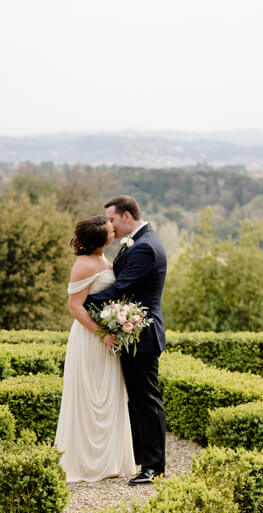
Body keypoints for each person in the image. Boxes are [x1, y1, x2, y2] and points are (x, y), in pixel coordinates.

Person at [85, 195, 168, 486]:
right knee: (137, 399)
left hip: (142, 334)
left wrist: (82, 300)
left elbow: (121, 287)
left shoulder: (145, 247)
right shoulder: (139, 241)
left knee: (147, 400)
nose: (109, 225)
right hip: (131, 333)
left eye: (111, 219)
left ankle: (154, 467)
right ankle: (139, 458)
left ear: (127, 217)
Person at [55, 215, 136, 481]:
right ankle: (85, 463)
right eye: (109, 229)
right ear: (99, 239)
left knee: (109, 393)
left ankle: (109, 461)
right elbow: (74, 307)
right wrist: (102, 334)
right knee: (89, 396)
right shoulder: (82, 265)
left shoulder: (103, 259)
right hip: (90, 339)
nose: (113, 229)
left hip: (107, 338)